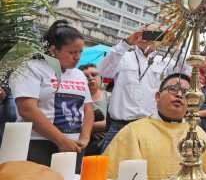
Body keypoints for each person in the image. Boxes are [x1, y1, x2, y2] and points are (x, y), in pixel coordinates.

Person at [9, 20, 94, 168]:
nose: (77, 57)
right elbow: (27, 109)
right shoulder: (31, 68)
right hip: (38, 143)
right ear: (53, 50)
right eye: (72, 52)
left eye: (80, 52)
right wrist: (61, 140)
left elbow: (88, 109)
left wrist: (85, 138)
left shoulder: (79, 74)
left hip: (73, 146)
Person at [104, 73, 206, 180]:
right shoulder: (133, 131)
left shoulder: (199, 135)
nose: (179, 95)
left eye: (185, 93)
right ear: (157, 97)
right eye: (173, 89)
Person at [98, 25, 189, 151]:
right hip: (119, 127)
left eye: (154, 35)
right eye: (145, 33)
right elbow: (103, 71)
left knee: (143, 168)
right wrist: (126, 42)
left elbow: (185, 73)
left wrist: (179, 46)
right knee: (109, 168)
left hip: (149, 126)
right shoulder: (124, 56)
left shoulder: (165, 62)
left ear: (161, 40)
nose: (148, 38)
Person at [79, 64, 110, 155]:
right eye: (86, 76)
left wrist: (85, 127)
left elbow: (110, 124)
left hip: (105, 146)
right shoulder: (76, 98)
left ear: (101, 77)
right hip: (81, 145)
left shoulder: (110, 97)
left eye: (94, 74)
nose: (91, 78)